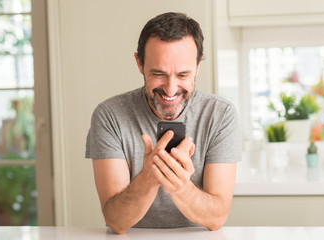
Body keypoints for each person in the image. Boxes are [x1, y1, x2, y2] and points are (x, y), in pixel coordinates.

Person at [85, 12, 241, 234]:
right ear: (139, 63)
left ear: (198, 66)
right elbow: (116, 221)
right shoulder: (109, 115)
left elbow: (216, 218)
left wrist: (180, 186)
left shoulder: (220, 115)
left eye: (183, 75)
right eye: (158, 73)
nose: (170, 89)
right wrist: (149, 178)